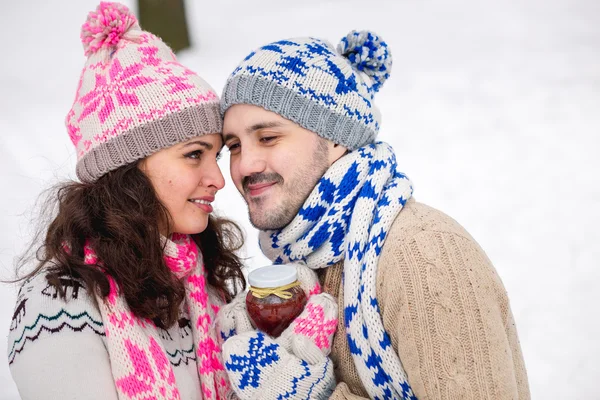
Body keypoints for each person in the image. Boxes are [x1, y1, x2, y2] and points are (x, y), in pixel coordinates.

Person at [216, 31, 531, 399]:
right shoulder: (302, 266)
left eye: (268, 137)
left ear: (335, 138)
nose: (245, 165)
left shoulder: (422, 255)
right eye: (234, 146)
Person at [7, 3, 245, 399]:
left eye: (216, 155)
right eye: (193, 154)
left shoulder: (204, 283)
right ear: (127, 168)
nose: (218, 179)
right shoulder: (58, 305)